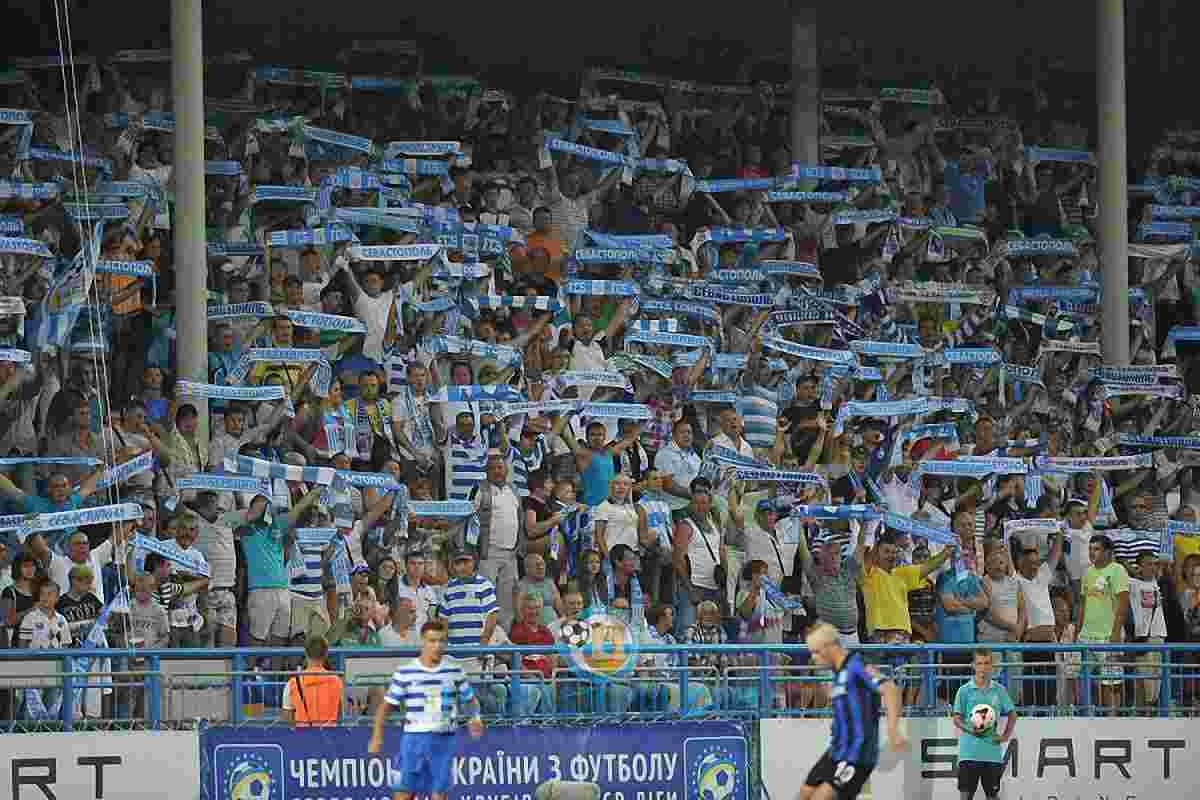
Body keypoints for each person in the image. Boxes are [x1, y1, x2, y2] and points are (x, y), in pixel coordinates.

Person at [368, 619, 485, 800]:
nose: (437, 646)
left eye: (441, 641)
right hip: (414, 741)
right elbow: (385, 707)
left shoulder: (455, 672)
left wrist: (475, 717)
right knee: (403, 795)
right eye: (432, 641)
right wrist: (377, 736)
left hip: (443, 741)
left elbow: (470, 700)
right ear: (423, 641)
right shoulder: (405, 672)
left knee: (439, 795)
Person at [798, 623, 906, 800]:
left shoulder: (856, 665)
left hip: (857, 754)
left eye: (816, 652)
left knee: (821, 797)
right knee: (805, 793)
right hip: (837, 751)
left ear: (830, 647)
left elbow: (890, 689)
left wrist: (893, 729)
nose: (813, 658)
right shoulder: (837, 672)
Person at [951, 650, 1017, 800]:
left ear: (992, 666)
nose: (983, 668)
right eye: (979, 663)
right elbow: (956, 718)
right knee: (965, 796)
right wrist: (971, 730)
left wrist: (1005, 736)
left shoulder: (999, 690)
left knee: (992, 795)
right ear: (973, 665)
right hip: (969, 754)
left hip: (992, 754)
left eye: (987, 663)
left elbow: (1013, 714)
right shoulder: (964, 690)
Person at [1077, 534, 1130, 710]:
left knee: (1111, 683)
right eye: (1090, 549)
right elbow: (1082, 605)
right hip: (1086, 636)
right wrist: (1078, 632)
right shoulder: (1087, 572)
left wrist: (1116, 634)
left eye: (1097, 549)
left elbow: (1123, 604)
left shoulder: (1117, 570)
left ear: (1108, 552)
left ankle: (1112, 720)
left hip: (1108, 637)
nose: (1092, 552)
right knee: (1080, 679)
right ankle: (1085, 717)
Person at [282, 635, 344, 726]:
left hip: (302, 733)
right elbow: (340, 714)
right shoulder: (337, 682)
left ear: (306, 654)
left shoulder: (292, 683)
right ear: (326, 654)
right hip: (330, 733)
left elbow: (288, 718)